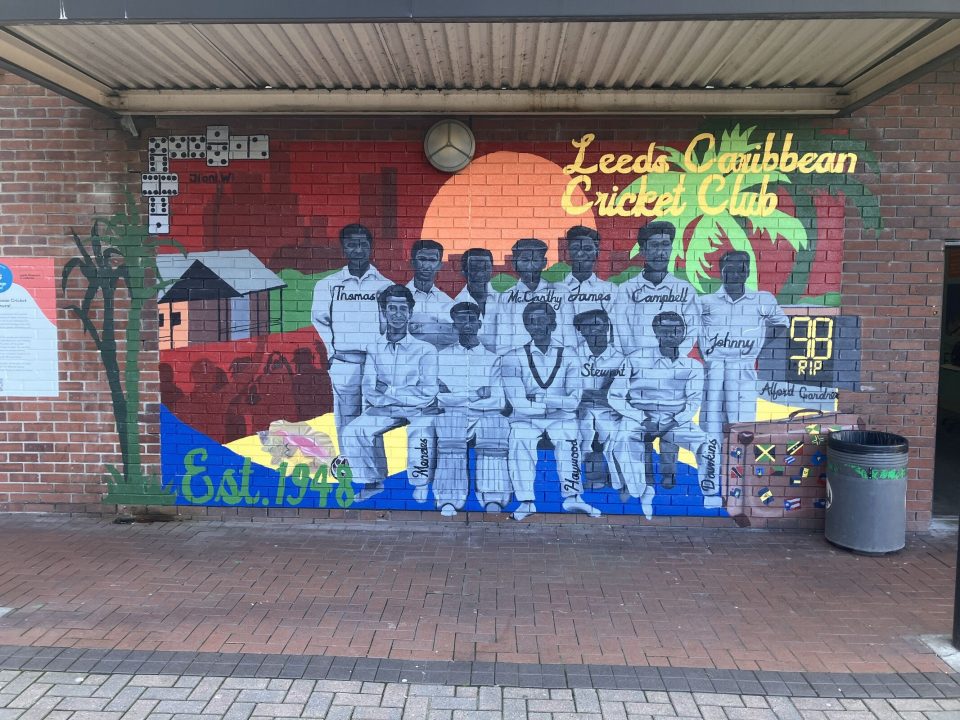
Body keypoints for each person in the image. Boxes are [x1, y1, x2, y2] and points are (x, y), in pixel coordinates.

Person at [609, 312, 722, 518]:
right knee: (623, 439)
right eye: (665, 330)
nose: (671, 334)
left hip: (675, 419)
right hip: (639, 416)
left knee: (709, 444)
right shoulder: (636, 359)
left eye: (676, 330)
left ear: (683, 333)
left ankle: (710, 493)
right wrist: (643, 419)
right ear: (656, 332)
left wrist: (670, 424)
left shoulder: (692, 367)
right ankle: (641, 491)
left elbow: (693, 403)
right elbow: (615, 396)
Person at [501, 301, 601, 521]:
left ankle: (572, 497)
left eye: (543, 320)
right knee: (519, 438)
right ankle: (526, 501)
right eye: (532, 322)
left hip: (561, 418)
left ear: (553, 324)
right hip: (526, 419)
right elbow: (519, 404)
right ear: (526, 327)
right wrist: (555, 402)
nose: (537, 326)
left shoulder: (570, 355)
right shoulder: (512, 357)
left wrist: (540, 398)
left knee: (569, 436)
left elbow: (574, 400)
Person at [340, 285, 440, 501]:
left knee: (420, 431)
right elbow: (369, 388)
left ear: (410, 312)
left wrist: (389, 390)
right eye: (391, 308)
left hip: (419, 409)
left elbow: (428, 392)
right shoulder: (374, 347)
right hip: (385, 408)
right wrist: (394, 397)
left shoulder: (425, 350)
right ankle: (372, 481)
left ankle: (420, 483)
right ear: (383, 312)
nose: (397, 314)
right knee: (353, 431)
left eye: (402, 309)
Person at [310, 224, 393, 445]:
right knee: (345, 418)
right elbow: (320, 320)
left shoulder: (385, 286)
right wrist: (332, 354)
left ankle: (371, 475)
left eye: (363, 245)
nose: (358, 250)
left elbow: (389, 326)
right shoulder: (327, 285)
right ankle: (347, 465)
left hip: (375, 365)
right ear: (344, 248)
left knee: (373, 420)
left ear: (370, 247)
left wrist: (384, 361)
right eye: (352, 245)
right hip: (344, 363)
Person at [699, 250, 789, 435]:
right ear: (720, 270)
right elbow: (691, 328)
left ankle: (737, 463)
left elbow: (781, 323)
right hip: (713, 367)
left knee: (742, 426)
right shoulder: (705, 302)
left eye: (740, 269)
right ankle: (712, 464)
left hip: (743, 367)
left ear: (747, 272)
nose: (735, 274)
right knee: (711, 426)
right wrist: (704, 352)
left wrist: (759, 345)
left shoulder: (761, 299)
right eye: (729, 269)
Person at [434, 302, 511, 516]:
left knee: (495, 424)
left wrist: (455, 395)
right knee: (450, 426)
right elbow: (439, 398)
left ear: (479, 323)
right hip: (453, 415)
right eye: (460, 319)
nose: (466, 324)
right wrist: (475, 395)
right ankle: (449, 499)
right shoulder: (441, 357)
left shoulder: (493, 359)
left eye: (470, 319)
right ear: (454, 325)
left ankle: (493, 496)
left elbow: (498, 400)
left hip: (486, 414)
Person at [614, 221, 701, 359]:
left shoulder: (685, 289)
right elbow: (621, 330)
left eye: (665, 245)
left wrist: (674, 357)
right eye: (654, 245)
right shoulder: (627, 289)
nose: (660, 252)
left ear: (671, 248)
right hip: (638, 365)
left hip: (673, 365)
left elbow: (693, 329)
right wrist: (637, 360)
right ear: (642, 251)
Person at [573, 309, 628, 493]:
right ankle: (588, 479)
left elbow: (617, 395)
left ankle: (618, 481)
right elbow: (570, 391)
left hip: (610, 412)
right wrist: (599, 394)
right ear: (580, 331)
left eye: (597, 324)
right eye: (587, 327)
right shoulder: (572, 355)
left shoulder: (620, 358)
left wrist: (589, 394)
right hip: (578, 410)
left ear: (607, 326)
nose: (593, 330)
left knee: (614, 434)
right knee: (583, 432)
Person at [495, 238, 573, 352]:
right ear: (514, 263)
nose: (530, 265)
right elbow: (503, 339)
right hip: (520, 362)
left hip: (558, 360)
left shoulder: (561, 293)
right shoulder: (507, 297)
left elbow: (570, 334)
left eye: (535, 260)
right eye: (525, 260)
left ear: (544, 262)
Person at [405, 239, 457, 348]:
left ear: (439, 265)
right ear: (412, 262)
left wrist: (417, 329)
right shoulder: (399, 298)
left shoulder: (448, 303)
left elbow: (456, 337)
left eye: (432, 260)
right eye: (422, 259)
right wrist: (439, 328)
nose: (427, 266)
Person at [561, 226, 616, 319]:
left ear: (597, 252)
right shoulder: (556, 289)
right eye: (575, 248)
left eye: (587, 249)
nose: (580, 254)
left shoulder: (610, 290)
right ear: (568, 253)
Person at [453, 247, 499, 353]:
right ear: (464, 272)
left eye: (485, 268)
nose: (480, 273)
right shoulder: (455, 304)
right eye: (474, 268)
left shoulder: (503, 301)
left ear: (492, 269)